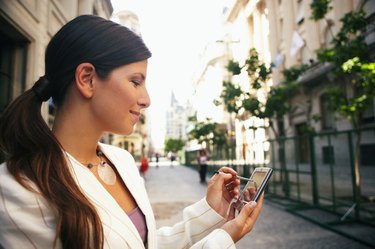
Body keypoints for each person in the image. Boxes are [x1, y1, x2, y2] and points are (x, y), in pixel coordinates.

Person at [0, 15, 263, 249]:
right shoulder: (18, 189)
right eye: (135, 81)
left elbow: (141, 242)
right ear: (87, 79)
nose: (147, 99)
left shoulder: (121, 160)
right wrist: (222, 239)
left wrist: (210, 213)